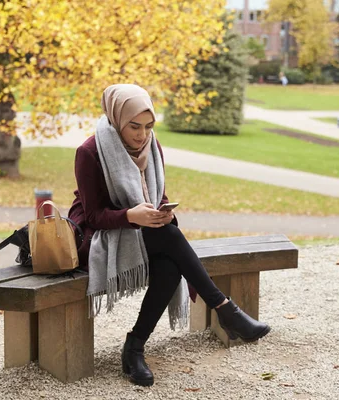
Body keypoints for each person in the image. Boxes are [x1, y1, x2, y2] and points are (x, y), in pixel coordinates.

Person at [68, 84, 270, 387]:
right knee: (171, 240)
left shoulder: (151, 145)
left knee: (170, 265)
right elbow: (94, 216)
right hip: (96, 238)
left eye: (149, 126)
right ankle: (225, 310)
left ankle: (134, 348)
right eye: (134, 126)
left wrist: (164, 213)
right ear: (115, 119)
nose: (142, 134)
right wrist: (130, 216)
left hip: (144, 232)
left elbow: (159, 197)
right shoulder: (89, 152)